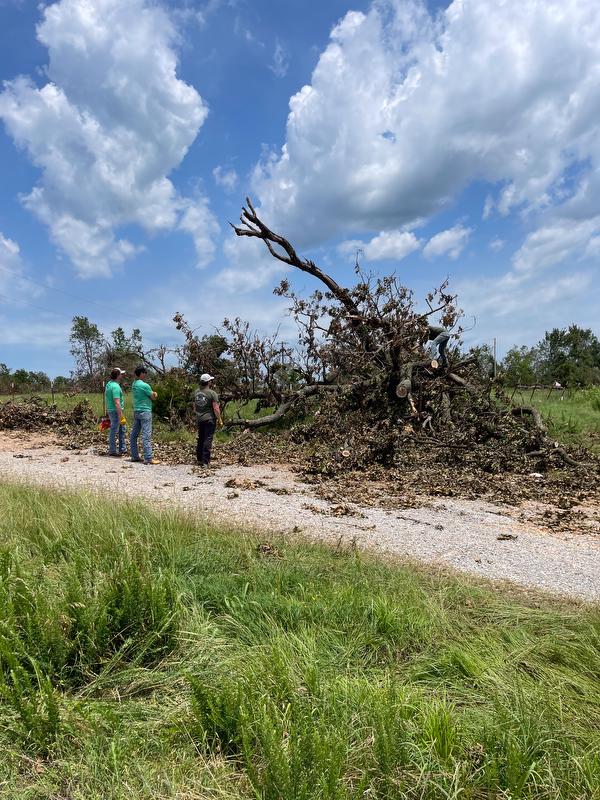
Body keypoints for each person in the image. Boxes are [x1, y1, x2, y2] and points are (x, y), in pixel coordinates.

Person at [129, 366, 160, 465]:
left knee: (134, 435)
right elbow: (153, 397)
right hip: (145, 411)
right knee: (146, 435)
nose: (145, 374)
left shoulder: (134, 384)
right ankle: (148, 458)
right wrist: (155, 394)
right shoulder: (145, 385)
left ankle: (134, 456)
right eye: (145, 372)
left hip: (137, 411)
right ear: (141, 373)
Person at [194, 373, 223, 468]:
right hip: (209, 419)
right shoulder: (212, 393)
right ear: (208, 382)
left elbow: (194, 406)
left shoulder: (196, 392)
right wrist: (219, 419)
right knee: (208, 439)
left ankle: (199, 459)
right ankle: (206, 461)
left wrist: (198, 414)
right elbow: (216, 408)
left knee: (201, 438)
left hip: (200, 419)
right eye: (210, 380)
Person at [104, 368, 127, 457]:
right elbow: (117, 402)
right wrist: (121, 415)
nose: (122, 375)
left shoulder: (109, 385)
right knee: (114, 430)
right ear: (118, 375)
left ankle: (122, 449)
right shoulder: (116, 387)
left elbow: (107, 399)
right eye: (121, 374)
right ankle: (112, 450)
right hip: (116, 411)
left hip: (111, 410)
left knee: (122, 429)